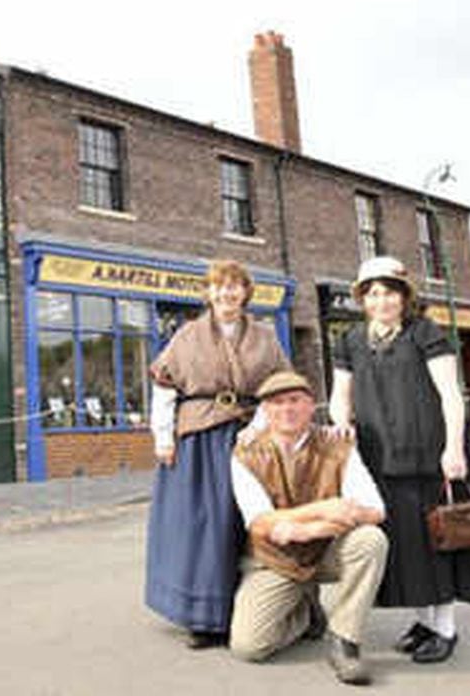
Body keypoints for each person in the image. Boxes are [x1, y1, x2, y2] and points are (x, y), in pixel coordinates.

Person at [330, 256, 470, 664]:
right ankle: (424, 621)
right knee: (407, 546)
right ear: (363, 298)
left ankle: (445, 628)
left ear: (403, 296)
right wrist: (341, 424)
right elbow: (340, 396)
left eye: (389, 292)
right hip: (380, 459)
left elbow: (451, 394)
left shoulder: (424, 332)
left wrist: (453, 449)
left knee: (440, 540)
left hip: (431, 455)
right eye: (373, 293)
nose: (382, 301)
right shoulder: (351, 341)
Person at [145, 259, 291, 648]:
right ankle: (202, 618)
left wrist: (259, 429)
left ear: (245, 292)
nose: (227, 293)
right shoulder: (187, 335)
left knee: (245, 525)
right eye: (219, 286)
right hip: (197, 440)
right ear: (208, 293)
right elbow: (164, 386)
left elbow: (278, 386)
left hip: (249, 438)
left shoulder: (265, 337)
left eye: (234, 286)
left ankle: (260, 611)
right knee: (202, 527)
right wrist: (163, 437)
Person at [229, 372, 388, 685]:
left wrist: (307, 530)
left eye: (294, 401)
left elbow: (375, 510)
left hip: (327, 551)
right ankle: (305, 613)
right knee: (248, 647)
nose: (286, 410)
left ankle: (344, 640)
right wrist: (325, 510)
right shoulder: (246, 453)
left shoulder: (338, 444)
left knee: (371, 540)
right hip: (275, 561)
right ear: (265, 410)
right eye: (276, 403)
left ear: (311, 406)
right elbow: (260, 522)